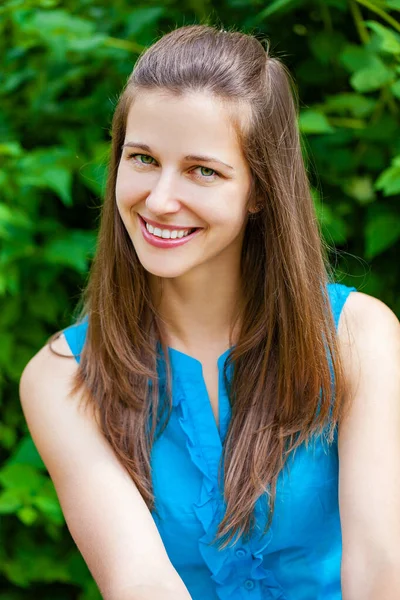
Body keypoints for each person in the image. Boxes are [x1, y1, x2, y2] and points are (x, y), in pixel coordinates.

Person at [19, 24, 400, 600]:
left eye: (203, 170)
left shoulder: (358, 335)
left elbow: (381, 570)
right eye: (143, 158)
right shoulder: (63, 376)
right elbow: (140, 583)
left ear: (260, 190)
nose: (160, 199)